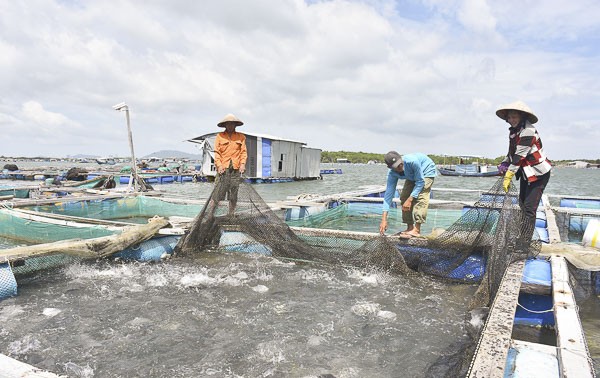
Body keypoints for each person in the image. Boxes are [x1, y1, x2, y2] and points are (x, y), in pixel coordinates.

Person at [496, 101, 552, 246]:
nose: (512, 120)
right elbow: (511, 154)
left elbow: (519, 156)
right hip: (526, 173)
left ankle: (525, 243)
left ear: (521, 117)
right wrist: (504, 163)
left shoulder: (528, 130)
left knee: (529, 208)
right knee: (522, 204)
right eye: (510, 117)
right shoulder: (514, 132)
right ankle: (522, 236)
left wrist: (508, 175)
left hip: (538, 173)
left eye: (515, 117)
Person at [379, 151, 437, 237]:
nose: (400, 167)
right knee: (404, 197)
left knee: (420, 197)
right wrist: (384, 219)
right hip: (412, 175)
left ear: (401, 159)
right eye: (396, 166)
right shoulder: (392, 174)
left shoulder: (412, 162)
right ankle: (410, 227)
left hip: (426, 170)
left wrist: (411, 199)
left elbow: (420, 182)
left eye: (400, 164)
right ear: (390, 167)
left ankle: (416, 229)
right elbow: (388, 195)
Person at [213, 113, 247, 216]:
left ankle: (231, 214)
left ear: (235, 125)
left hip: (235, 169)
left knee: (233, 194)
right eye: (228, 124)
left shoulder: (241, 137)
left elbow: (243, 152)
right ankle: (211, 214)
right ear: (225, 125)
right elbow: (217, 152)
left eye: (232, 124)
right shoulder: (219, 136)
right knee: (217, 193)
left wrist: (242, 164)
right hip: (223, 169)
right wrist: (219, 165)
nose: (230, 126)